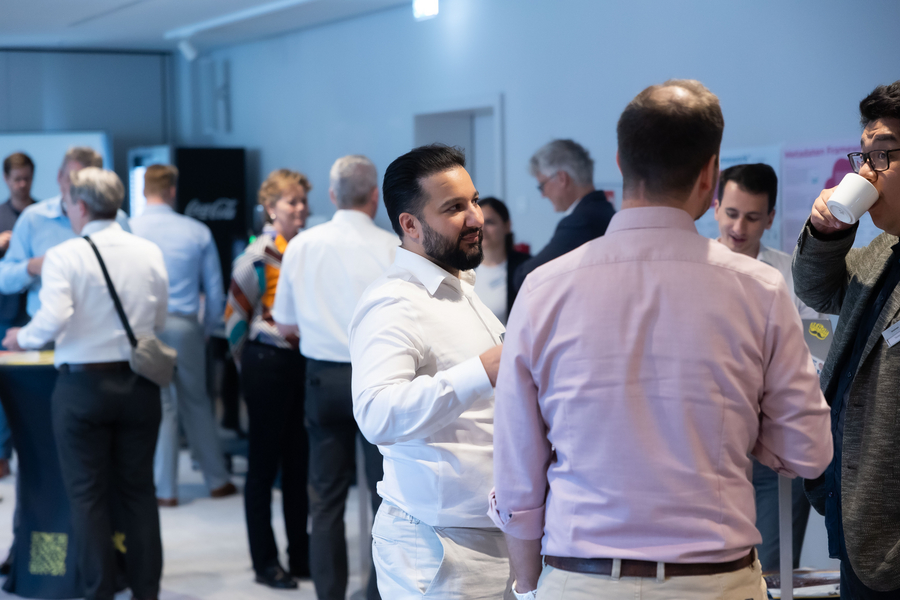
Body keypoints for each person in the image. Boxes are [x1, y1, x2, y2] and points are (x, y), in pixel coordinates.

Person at [490, 80, 833, 600]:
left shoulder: (543, 289)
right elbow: (808, 451)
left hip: (580, 579)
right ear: (710, 175)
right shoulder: (760, 288)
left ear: (620, 162)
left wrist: (528, 587)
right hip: (716, 582)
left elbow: (517, 471)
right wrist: (748, 427)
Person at [349, 144, 510, 600]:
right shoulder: (394, 302)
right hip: (439, 546)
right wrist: (483, 370)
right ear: (410, 224)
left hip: (491, 535)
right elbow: (376, 413)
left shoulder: (460, 289)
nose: (476, 217)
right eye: (454, 208)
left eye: (473, 200)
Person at [2, 167, 167, 600]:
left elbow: (53, 319)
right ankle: (146, 591)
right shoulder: (148, 251)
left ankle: (99, 591)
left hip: (83, 389)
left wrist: (21, 338)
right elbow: (159, 317)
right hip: (139, 385)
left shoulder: (66, 255)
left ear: (79, 206)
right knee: (138, 493)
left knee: (87, 497)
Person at [792, 80, 900, 598]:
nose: (864, 174)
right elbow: (817, 289)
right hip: (858, 519)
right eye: (864, 156)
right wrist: (828, 233)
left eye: (882, 155)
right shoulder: (882, 251)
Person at [273, 155, 396, 600]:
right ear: (375, 196)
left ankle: (329, 595)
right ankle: (379, 593)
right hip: (380, 378)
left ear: (331, 196)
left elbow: (284, 323)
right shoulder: (393, 248)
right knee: (386, 498)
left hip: (322, 379)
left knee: (325, 499)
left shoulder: (302, 246)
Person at [713, 162, 824, 571]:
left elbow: (818, 355)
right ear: (715, 208)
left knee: (773, 569)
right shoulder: (691, 272)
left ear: (771, 218)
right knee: (712, 570)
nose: (739, 227)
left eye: (752, 217)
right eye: (731, 213)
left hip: (775, 449)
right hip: (708, 447)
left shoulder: (792, 278)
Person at [129, 164, 234, 507]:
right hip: (185, 325)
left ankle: (165, 490)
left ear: (143, 190)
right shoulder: (196, 231)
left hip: (146, 326)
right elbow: (215, 292)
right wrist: (205, 330)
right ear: (173, 190)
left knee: (161, 406)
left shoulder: (129, 229)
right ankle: (217, 480)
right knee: (197, 402)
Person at [226, 168, 310, 589]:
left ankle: (301, 556)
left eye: (303, 201)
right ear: (270, 207)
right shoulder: (257, 256)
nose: (300, 208)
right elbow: (234, 316)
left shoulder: (307, 249)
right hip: (266, 362)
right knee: (262, 467)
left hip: (301, 362)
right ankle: (265, 563)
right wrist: (249, 364)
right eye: (291, 201)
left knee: (298, 465)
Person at [0, 147, 130, 319]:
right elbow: (4, 278)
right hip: (46, 325)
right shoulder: (33, 218)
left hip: (103, 322)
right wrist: (32, 266)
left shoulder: (117, 219)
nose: (78, 190)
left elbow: (131, 274)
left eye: (87, 183)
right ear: (59, 176)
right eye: (72, 179)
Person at [513, 139, 614, 294]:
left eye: (542, 185)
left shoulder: (581, 221)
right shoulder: (604, 210)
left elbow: (525, 277)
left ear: (562, 178)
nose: (543, 195)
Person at [0, 152, 36, 477]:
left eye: (26, 178)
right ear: (6, 180)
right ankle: (1, 455)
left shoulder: (43, 216)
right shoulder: (0, 216)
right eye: (16, 179)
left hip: (37, 311)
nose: (22, 185)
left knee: (34, 384)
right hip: (4, 311)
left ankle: (35, 452)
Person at [473, 197, 530, 324]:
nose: (482, 229)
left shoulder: (525, 267)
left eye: (489, 222)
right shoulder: (461, 268)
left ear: (507, 226)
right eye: (478, 222)